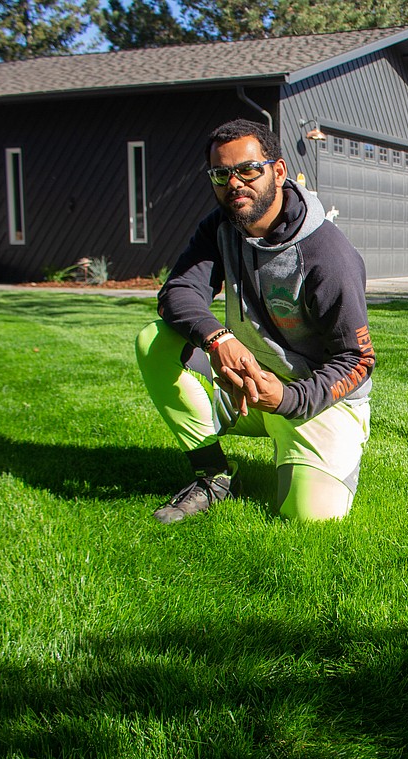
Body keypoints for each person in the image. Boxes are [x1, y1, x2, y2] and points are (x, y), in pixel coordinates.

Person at [136, 118, 375, 523]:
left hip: (314, 399)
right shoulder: (220, 228)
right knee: (154, 342)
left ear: (278, 172)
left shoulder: (327, 255)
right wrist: (218, 339)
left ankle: (309, 455)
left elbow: (358, 360)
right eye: (220, 173)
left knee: (311, 516)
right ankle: (212, 476)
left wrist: (288, 399)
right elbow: (177, 293)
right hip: (246, 387)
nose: (234, 184)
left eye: (248, 169)